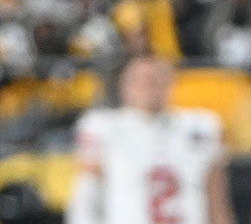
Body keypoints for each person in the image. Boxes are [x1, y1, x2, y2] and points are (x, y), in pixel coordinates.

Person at [66, 56, 235, 224]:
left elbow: (217, 200)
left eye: (154, 80)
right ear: (124, 86)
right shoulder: (103, 126)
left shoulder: (201, 126)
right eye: (139, 81)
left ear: (170, 84)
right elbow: (86, 198)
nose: (147, 87)